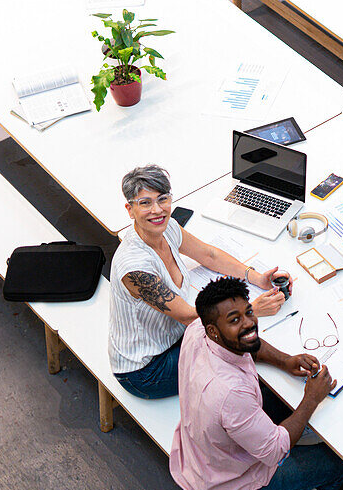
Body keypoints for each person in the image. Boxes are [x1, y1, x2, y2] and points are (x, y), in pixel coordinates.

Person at [109, 165, 289, 399]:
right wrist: (253, 309)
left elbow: (208, 255)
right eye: (145, 203)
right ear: (130, 209)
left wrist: (256, 277)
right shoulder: (134, 268)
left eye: (162, 199)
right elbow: (187, 315)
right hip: (146, 369)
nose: (157, 210)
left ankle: (285, 367)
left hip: (176, 335)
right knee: (236, 352)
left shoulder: (166, 227)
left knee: (240, 339)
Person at [170, 277, 343, 490]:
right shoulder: (231, 393)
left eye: (249, 312)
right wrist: (311, 398)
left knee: (276, 403)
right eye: (235, 320)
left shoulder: (198, 329)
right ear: (214, 330)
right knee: (336, 464)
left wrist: (285, 361)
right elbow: (276, 449)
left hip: (199, 455)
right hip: (229, 485)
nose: (249, 323)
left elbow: (249, 341)